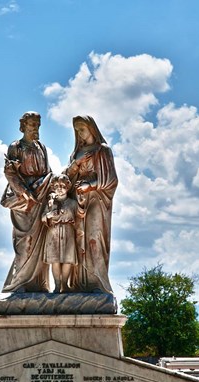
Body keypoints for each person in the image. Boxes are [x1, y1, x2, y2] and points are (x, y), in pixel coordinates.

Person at [64, 115, 118, 293]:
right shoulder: (76, 153)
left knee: (94, 238)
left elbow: (111, 180)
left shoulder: (103, 150)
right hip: (78, 200)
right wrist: (75, 166)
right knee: (78, 238)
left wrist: (91, 185)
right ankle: (80, 284)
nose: (80, 133)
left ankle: (98, 283)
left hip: (96, 199)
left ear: (92, 128)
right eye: (77, 130)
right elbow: (66, 179)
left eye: (82, 128)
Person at [0, 111, 52, 292]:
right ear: (23, 125)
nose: (35, 128)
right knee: (25, 243)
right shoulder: (16, 147)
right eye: (32, 124)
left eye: (38, 125)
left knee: (41, 242)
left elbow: (48, 173)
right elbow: (10, 173)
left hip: (41, 196)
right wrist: (24, 193)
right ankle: (18, 283)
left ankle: (38, 284)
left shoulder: (41, 147)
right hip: (24, 200)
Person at [41, 174, 85, 293]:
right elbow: (43, 217)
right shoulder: (50, 203)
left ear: (67, 187)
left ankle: (64, 285)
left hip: (68, 232)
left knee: (68, 260)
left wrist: (81, 203)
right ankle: (57, 285)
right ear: (53, 188)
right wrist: (50, 215)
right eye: (56, 186)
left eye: (62, 185)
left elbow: (80, 215)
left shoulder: (72, 203)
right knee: (55, 260)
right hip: (53, 232)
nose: (59, 188)